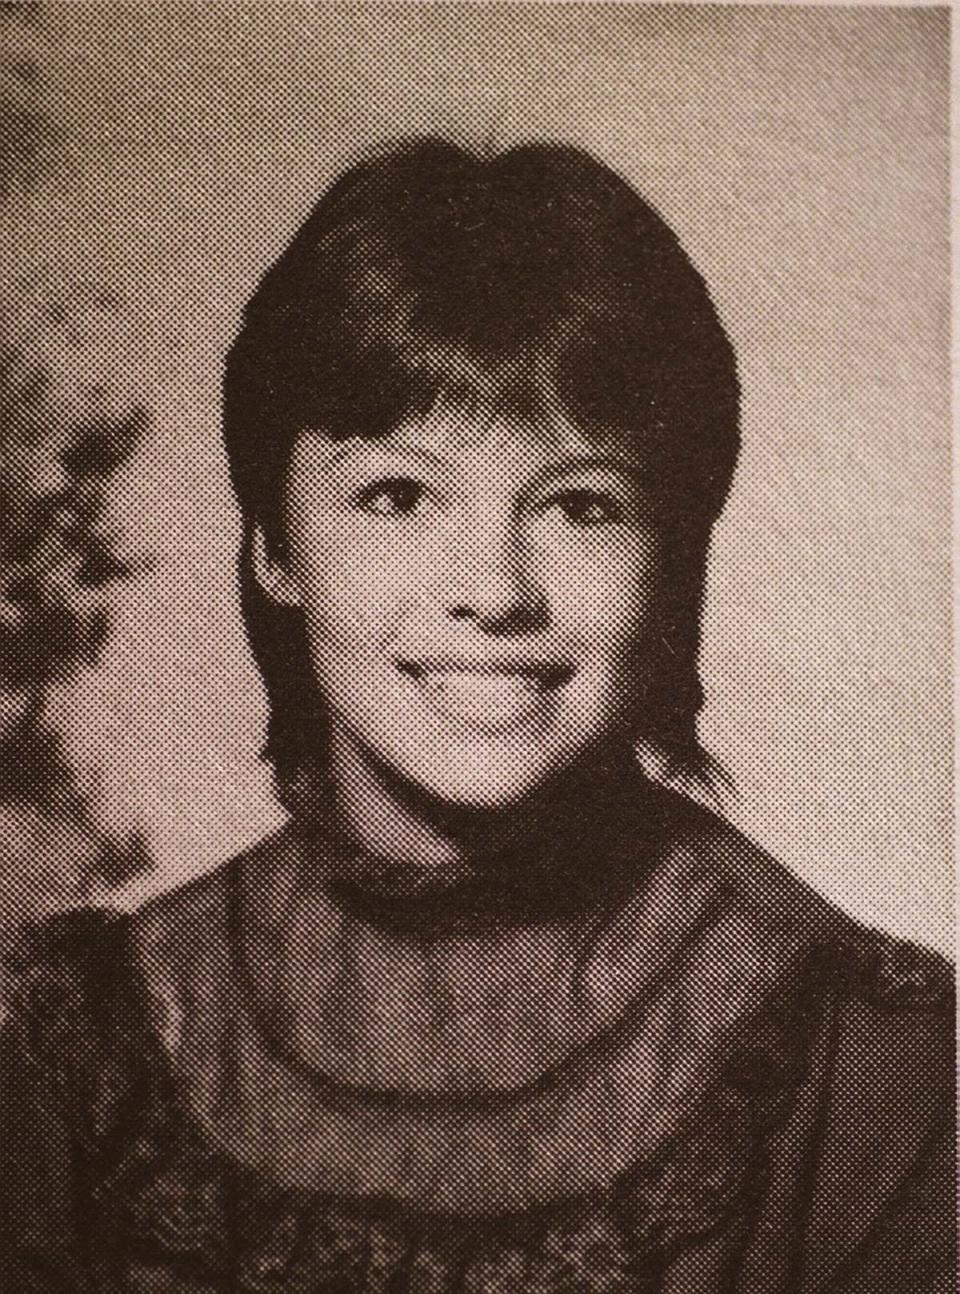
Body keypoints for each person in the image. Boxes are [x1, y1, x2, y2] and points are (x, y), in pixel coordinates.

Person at [0, 138, 953, 1293]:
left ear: (674, 561)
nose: (495, 590)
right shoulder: (96, 1057)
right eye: (398, 495)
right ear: (275, 548)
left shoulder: (874, 1066)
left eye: (583, 504)